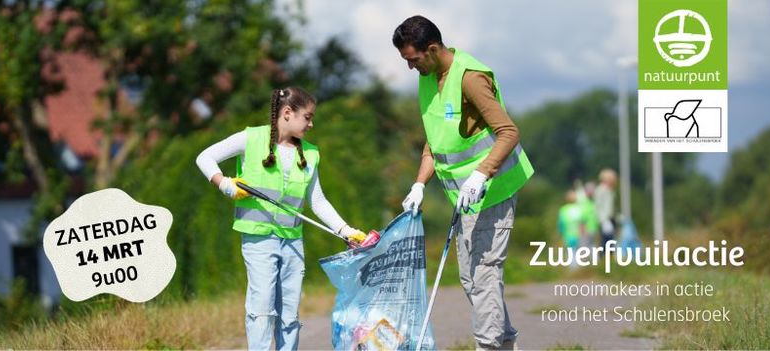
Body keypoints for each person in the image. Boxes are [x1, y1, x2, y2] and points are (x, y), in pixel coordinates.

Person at [393, 15, 535, 350]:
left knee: (484, 274)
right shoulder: (428, 79)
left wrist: (482, 173)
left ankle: (488, 346)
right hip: (465, 196)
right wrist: (419, 185)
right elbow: (435, 141)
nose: (410, 68)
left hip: (494, 189)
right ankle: (505, 344)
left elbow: (509, 132)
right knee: (470, 279)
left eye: (413, 60)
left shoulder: (470, 78)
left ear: (431, 49)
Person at [195, 87, 365, 350]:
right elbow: (205, 157)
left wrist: (346, 230)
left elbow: (317, 201)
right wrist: (225, 184)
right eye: (307, 117)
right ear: (288, 113)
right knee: (261, 310)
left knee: (289, 314)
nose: (311, 123)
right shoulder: (251, 138)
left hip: (292, 243)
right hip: (259, 240)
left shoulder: (310, 154)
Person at [594, 168, 618, 247]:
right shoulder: (601, 190)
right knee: (606, 241)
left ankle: (608, 257)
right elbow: (598, 206)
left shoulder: (609, 190)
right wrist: (603, 220)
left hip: (609, 218)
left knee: (610, 241)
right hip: (605, 219)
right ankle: (604, 257)